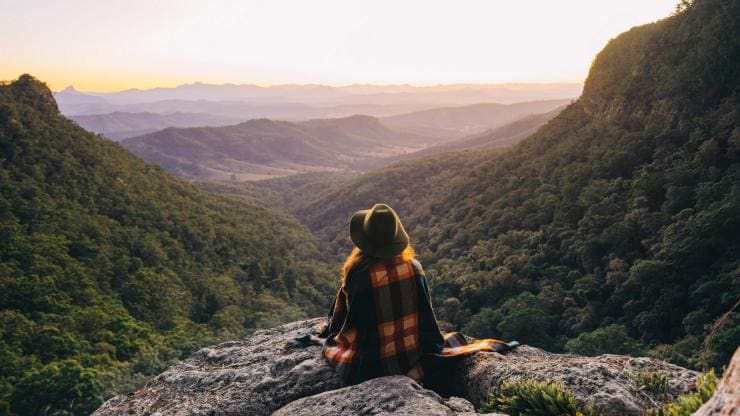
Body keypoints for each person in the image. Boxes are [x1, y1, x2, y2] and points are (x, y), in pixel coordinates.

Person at [318, 203, 518, 389]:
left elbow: (346, 325)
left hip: (370, 366)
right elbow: (426, 319)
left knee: (330, 345)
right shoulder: (414, 268)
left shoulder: (358, 275)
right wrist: (431, 349)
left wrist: (330, 334)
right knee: (456, 339)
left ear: (365, 241)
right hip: (411, 357)